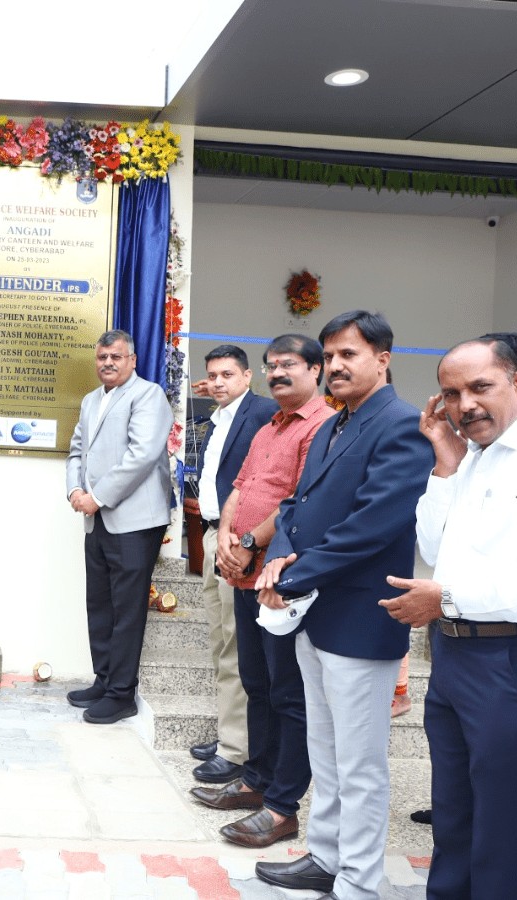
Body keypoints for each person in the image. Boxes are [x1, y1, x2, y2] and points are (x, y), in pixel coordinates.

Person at [253, 311, 433, 900]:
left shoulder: (402, 426)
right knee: (325, 752)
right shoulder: (334, 423)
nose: (335, 366)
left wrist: (294, 575)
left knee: (359, 765)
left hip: (361, 618)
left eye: (347, 354)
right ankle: (325, 857)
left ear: (382, 358)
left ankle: (357, 881)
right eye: (329, 356)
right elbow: (296, 505)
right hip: (316, 615)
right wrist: (279, 558)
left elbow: (373, 526)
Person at [380, 332, 517, 899]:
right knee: (453, 805)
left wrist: (445, 599)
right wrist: (445, 464)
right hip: (452, 653)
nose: (464, 405)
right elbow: (432, 546)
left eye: (479, 387)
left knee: (505, 813)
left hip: (509, 656)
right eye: (450, 394)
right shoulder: (470, 459)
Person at [190, 334, 333, 849]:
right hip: (243, 572)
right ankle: (255, 780)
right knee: (255, 682)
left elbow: (300, 502)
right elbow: (240, 487)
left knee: (287, 693)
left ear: (315, 370)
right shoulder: (271, 424)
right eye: (272, 365)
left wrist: (250, 543)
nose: (277, 373)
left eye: (288, 364)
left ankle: (281, 806)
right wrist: (229, 538)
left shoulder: (322, 426)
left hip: (279, 578)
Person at [65, 329, 174, 725]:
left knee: (127, 609)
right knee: (100, 603)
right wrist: (75, 490)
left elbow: (142, 454)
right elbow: (76, 451)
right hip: (96, 519)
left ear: (132, 360)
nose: (108, 363)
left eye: (116, 356)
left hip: (135, 521)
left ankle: (122, 694)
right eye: (102, 357)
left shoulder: (148, 395)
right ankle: (105, 679)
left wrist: (98, 496)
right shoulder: (91, 400)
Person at [186, 344, 276, 782]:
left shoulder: (263, 413)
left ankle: (237, 749)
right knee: (221, 642)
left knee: (238, 646)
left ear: (247, 376)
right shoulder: (218, 418)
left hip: (241, 545)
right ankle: (229, 734)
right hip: (212, 536)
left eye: (228, 374)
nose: (219, 382)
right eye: (213, 375)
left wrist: (249, 540)